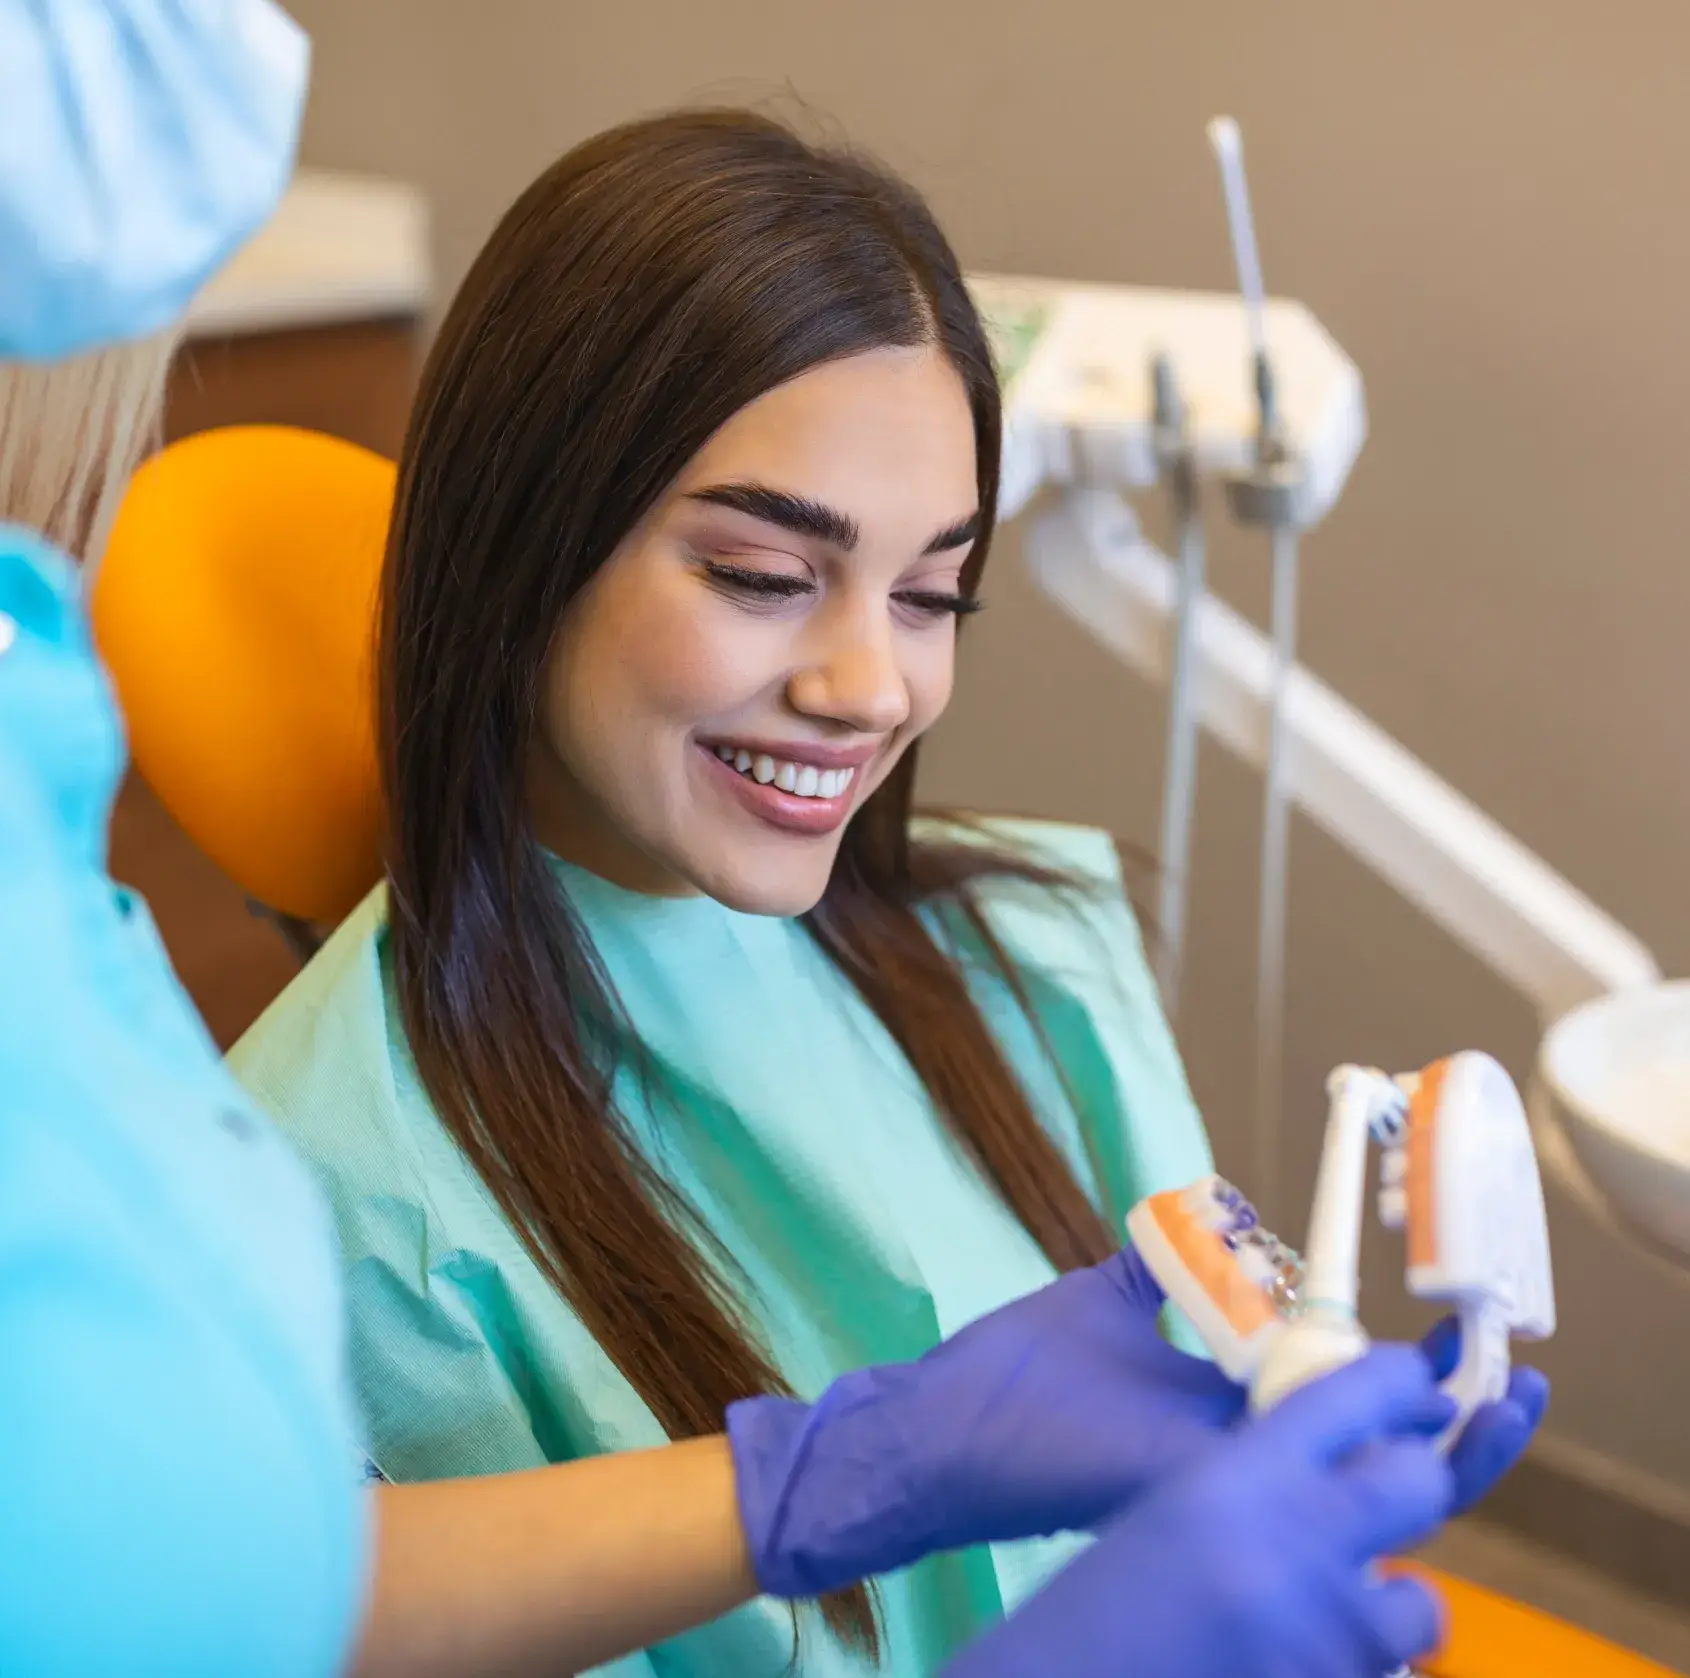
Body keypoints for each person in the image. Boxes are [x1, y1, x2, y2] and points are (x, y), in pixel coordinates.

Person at [228, 107, 1546, 1677]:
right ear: (521, 545)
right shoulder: (335, 1214)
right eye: (764, 575)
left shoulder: (1015, 949)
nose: (871, 686)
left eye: (931, 593)